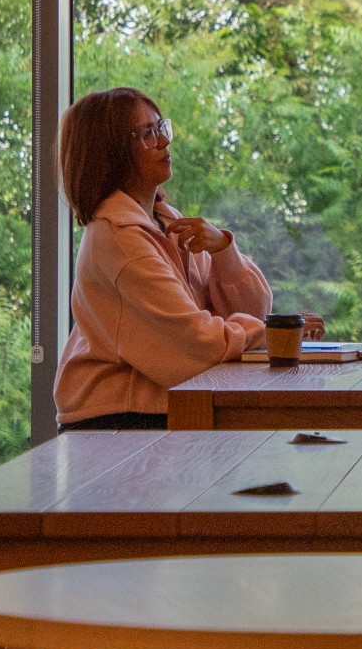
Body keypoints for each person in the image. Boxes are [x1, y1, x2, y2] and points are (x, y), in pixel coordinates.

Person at [54, 87, 273, 429]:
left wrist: (223, 251)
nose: (163, 142)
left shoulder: (167, 222)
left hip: (159, 411)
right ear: (111, 153)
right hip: (115, 423)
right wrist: (272, 333)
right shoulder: (119, 240)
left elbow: (251, 312)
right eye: (146, 134)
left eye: (161, 128)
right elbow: (197, 347)